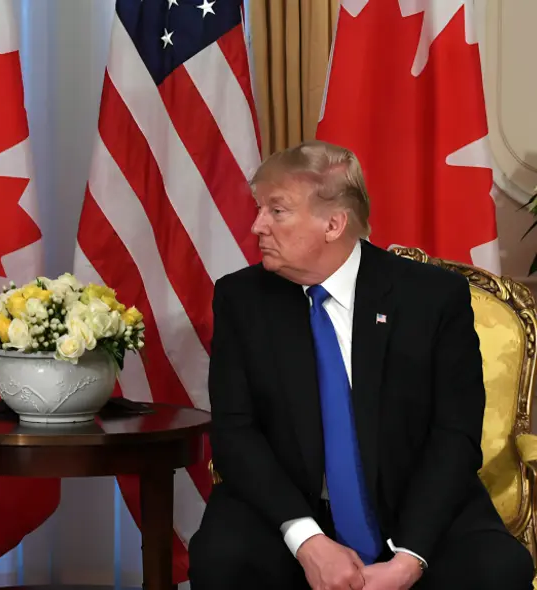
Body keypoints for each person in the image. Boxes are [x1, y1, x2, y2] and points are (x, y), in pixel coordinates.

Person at [187, 140, 534, 589]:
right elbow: (236, 433)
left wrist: (410, 559)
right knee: (222, 559)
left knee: (495, 571)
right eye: (260, 209)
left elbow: (455, 435)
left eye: (277, 211)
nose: (257, 226)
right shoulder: (242, 300)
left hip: (416, 505)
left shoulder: (432, 298)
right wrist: (307, 540)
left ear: (334, 224)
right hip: (291, 508)